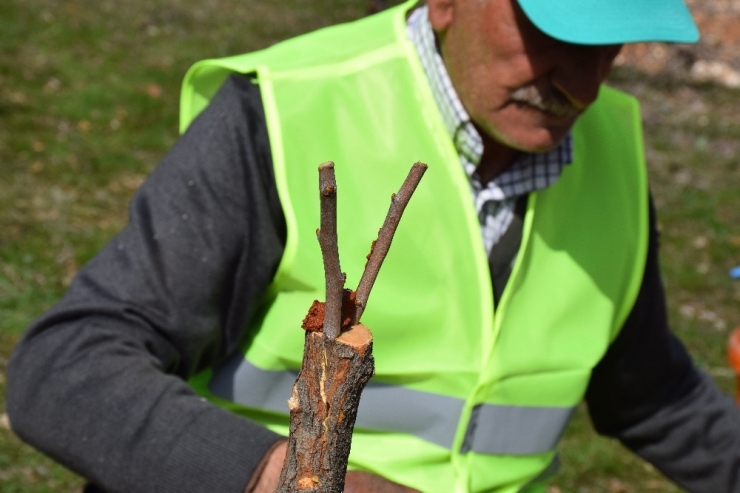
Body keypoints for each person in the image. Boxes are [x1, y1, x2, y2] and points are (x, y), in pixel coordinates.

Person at [7, 0, 740, 491]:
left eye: (603, 41)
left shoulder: (609, 147)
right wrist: (283, 474)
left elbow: (652, 391)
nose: (576, 78)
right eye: (550, 29)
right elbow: (68, 363)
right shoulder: (288, 112)